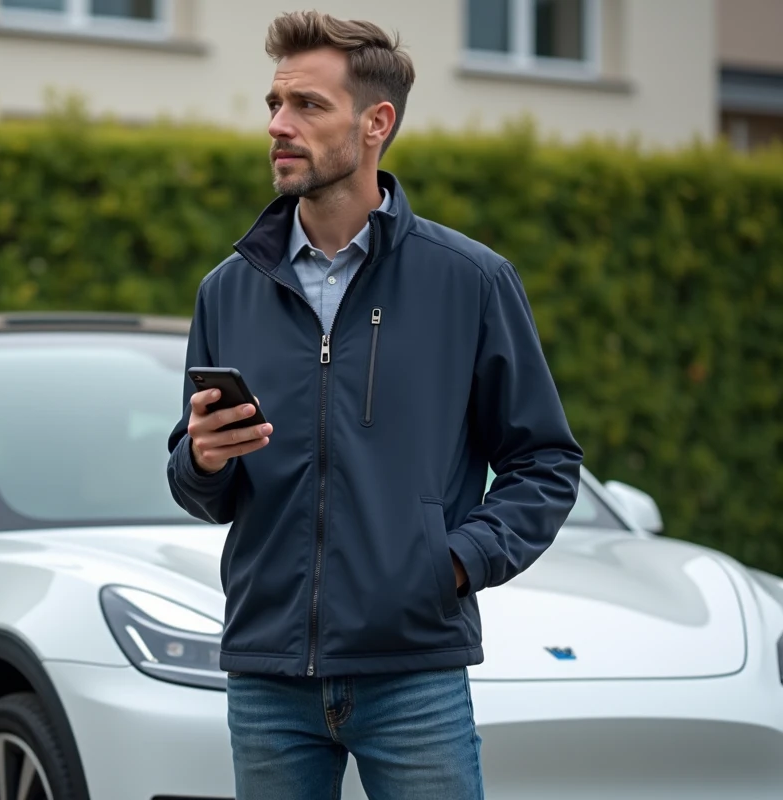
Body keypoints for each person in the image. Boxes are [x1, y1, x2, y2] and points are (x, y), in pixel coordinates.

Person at [165, 9, 584, 800]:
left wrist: (455, 563)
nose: (278, 125)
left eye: (307, 105)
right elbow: (200, 486)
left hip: (412, 671)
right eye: (274, 104)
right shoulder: (228, 290)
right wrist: (202, 459)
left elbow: (545, 461)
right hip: (268, 674)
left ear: (375, 123)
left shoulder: (469, 282)